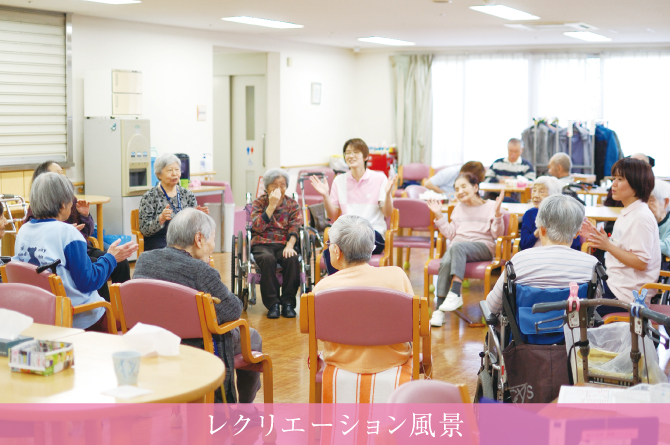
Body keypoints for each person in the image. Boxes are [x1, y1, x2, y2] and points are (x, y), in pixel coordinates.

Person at [133, 208, 261, 403]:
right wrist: (207, 268)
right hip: (196, 344)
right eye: (213, 239)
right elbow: (233, 309)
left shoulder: (145, 260)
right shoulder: (201, 270)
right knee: (252, 336)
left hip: (154, 341)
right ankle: (245, 408)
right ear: (199, 239)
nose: (213, 245)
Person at [13, 173, 137, 330]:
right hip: (82, 317)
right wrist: (111, 258)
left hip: (42, 315)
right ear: (63, 204)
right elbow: (89, 282)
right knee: (133, 320)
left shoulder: (23, 230)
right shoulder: (67, 232)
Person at [312, 214, 412, 374]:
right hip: (393, 360)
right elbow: (415, 323)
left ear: (336, 251)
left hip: (340, 362)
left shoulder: (323, 288)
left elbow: (312, 329)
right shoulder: (397, 275)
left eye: (329, 244)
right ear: (371, 247)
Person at [24, 161, 131, 302]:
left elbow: (87, 231)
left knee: (121, 263)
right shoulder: (39, 212)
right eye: (58, 174)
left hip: (81, 247)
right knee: (97, 267)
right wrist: (65, 234)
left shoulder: (24, 230)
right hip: (63, 257)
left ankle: (125, 308)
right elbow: (88, 280)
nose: (63, 177)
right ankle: (106, 311)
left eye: (62, 173)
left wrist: (85, 216)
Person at [485, 195, 600, 314]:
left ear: (542, 230)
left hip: (524, 331)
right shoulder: (591, 264)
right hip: (574, 331)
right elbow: (593, 305)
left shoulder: (520, 260)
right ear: (577, 233)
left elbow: (492, 306)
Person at [426, 172, 506, 327]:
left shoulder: (490, 206)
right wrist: (438, 215)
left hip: (482, 247)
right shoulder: (458, 208)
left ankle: (455, 291)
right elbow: (450, 233)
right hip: (458, 248)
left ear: (475, 187)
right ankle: (440, 311)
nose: (460, 191)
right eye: (456, 189)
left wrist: (497, 214)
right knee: (447, 260)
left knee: (456, 247)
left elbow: (498, 234)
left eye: (464, 186)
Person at [583, 158, 660, 315]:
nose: (614, 184)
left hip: (627, 294)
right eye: (613, 179)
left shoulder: (640, 217)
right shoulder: (629, 212)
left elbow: (640, 262)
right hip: (616, 285)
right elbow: (624, 249)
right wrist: (601, 239)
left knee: (576, 307)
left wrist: (608, 245)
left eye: (620, 179)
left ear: (636, 183)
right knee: (577, 291)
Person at [309, 138, 396, 274]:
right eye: (347, 152)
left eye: (355, 152)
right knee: (329, 253)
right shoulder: (339, 180)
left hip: (373, 234)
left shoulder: (379, 178)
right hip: (348, 233)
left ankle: (351, 288)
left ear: (366, 156)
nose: (350, 155)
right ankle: (339, 291)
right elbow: (332, 214)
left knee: (341, 250)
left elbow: (387, 213)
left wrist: (388, 194)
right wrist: (325, 195)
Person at [250, 168, 302, 319]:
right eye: (274, 185)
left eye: (283, 184)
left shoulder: (292, 204)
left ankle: (288, 303)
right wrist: (271, 206)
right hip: (262, 243)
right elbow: (257, 226)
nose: (279, 188)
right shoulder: (259, 203)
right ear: (266, 187)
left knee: (291, 258)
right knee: (267, 259)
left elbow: (295, 226)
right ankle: (273, 304)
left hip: (284, 243)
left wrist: (290, 245)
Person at [139, 153, 209, 251]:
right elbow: (144, 229)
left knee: (198, 248)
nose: (175, 173)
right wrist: (161, 219)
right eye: (170, 170)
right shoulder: (150, 197)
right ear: (159, 174)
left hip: (184, 239)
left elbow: (196, 228)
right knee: (169, 253)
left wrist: (197, 216)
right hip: (159, 239)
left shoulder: (187, 194)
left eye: (177, 170)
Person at [519, 176, 582, 251]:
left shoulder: (566, 213)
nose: (535, 195)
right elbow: (523, 245)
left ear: (553, 195)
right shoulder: (529, 214)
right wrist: (537, 232)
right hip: (534, 255)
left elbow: (575, 246)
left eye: (541, 192)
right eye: (534, 190)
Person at [648, 180, 670, 271]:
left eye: (651, 200)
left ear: (665, 202)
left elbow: (668, 248)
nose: (646, 205)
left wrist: (642, 242)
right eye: (643, 200)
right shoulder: (641, 220)